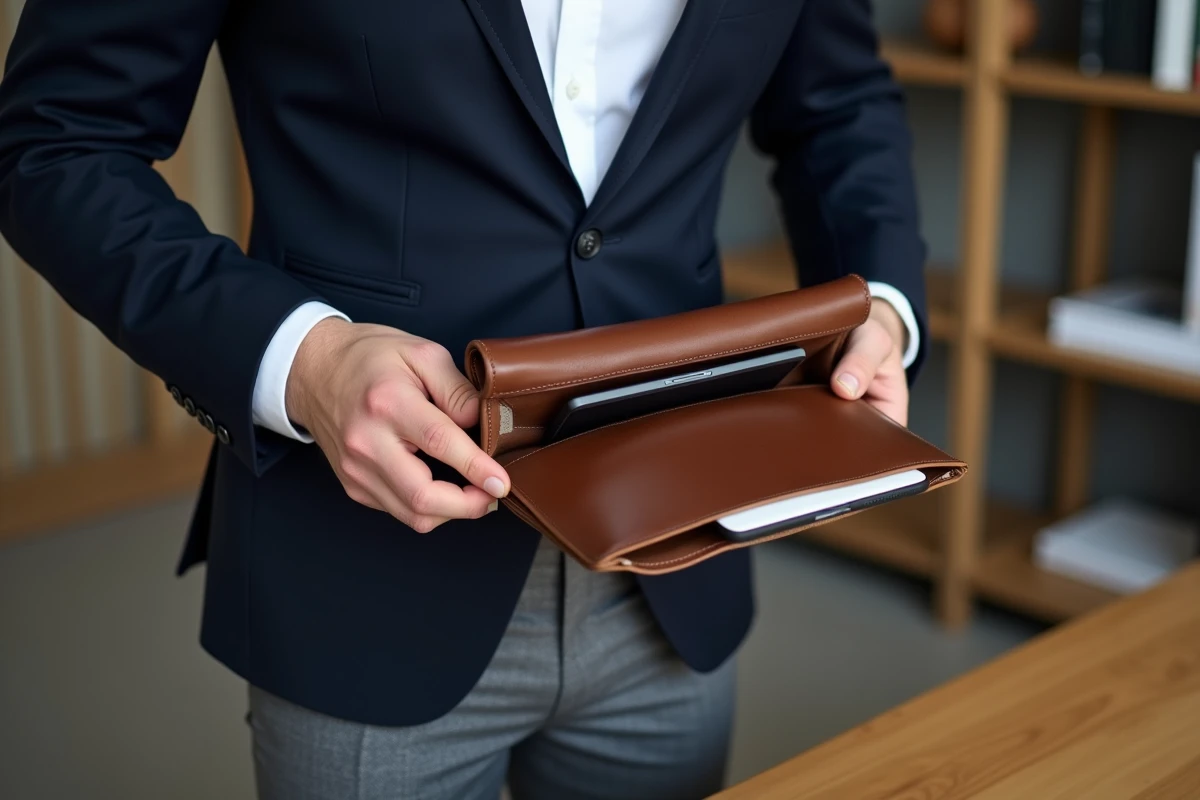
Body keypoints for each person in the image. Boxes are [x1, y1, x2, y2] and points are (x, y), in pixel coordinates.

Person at [0, 0, 928, 796]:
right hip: (362, 565)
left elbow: (838, 104)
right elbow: (57, 138)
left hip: (679, 555)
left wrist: (880, 302)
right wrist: (304, 363)